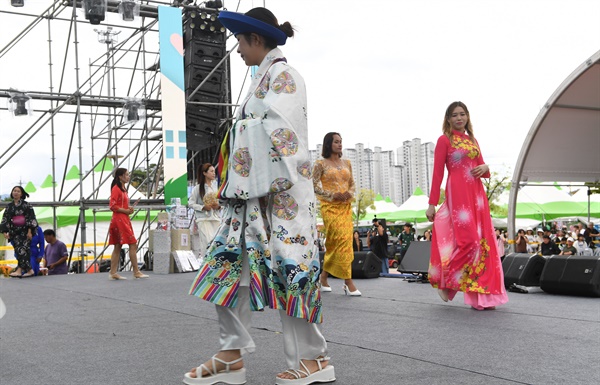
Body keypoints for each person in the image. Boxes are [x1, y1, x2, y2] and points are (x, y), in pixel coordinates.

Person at [185, 8, 335, 385]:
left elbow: (284, 138)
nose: (236, 48)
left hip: (281, 198)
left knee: (293, 272)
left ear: (255, 39)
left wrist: (239, 131)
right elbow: (266, 132)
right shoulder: (266, 78)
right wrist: (241, 132)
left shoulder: (285, 77)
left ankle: (315, 359)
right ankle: (230, 354)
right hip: (253, 198)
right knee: (226, 265)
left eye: (239, 40)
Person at [425, 101, 508, 310]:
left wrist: (486, 167)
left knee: (482, 244)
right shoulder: (444, 140)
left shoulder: (472, 140)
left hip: (477, 196)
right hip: (458, 193)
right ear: (448, 119)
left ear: (468, 117)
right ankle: (448, 282)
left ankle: (481, 296)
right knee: (468, 242)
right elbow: (437, 173)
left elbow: (483, 169)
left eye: (462, 114)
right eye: (454, 115)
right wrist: (432, 203)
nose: (459, 118)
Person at [313, 132, 360, 297]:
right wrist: (332, 195)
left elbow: (352, 183)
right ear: (328, 144)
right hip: (329, 207)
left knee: (341, 242)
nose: (340, 144)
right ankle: (348, 282)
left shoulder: (347, 162)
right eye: (336, 142)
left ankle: (324, 277)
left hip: (345, 207)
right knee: (339, 239)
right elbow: (313, 186)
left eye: (341, 142)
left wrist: (349, 193)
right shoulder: (320, 164)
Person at [107, 168, 148, 280]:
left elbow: (118, 205)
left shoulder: (122, 188)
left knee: (118, 245)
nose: (128, 177)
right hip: (120, 219)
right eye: (126, 175)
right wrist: (125, 210)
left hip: (122, 218)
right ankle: (136, 271)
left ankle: (113, 272)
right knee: (132, 243)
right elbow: (113, 206)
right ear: (120, 176)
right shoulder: (117, 189)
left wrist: (128, 209)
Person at [1, 186, 38, 278]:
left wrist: (30, 231)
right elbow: (5, 219)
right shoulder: (9, 206)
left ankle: (26, 270)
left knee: (24, 250)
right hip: (14, 231)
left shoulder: (26, 205)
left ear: (21, 194)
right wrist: (5, 231)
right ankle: (23, 270)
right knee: (18, 251)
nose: (16, 192)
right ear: (12, 192)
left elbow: (31, 218)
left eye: (18, 191)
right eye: (14, 191)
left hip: (25, 231)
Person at [189, 163, 222, 260]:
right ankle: (206, 264)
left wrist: (219, 206)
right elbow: (191, 203)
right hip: (203, 219)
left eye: (214, 171)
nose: (213, 173)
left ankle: (216, 264)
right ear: (204, 173)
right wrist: (203, 207)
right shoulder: (198, 188)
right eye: (211, 171)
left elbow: (224, 203)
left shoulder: (217, 187)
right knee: (207, 242)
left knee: (217, 243)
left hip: (216, 218)